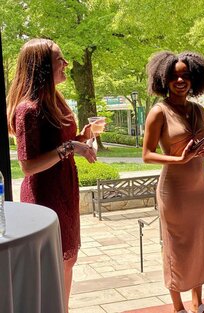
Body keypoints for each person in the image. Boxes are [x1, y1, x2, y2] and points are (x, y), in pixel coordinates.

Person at [7, 38, 97, 312]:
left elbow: (62, 144)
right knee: (53, 264)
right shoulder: (28, 110)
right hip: (44, 195)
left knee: (68, 260)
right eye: (60, 59)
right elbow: (29, 166)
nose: (66, 63)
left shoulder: (56, 101)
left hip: (64, 190)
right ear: (43, 67)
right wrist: (71, 146)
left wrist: (83, 138)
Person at [143, 51, 204, 313]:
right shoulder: (158, 112)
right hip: (174, 190)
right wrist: (179, 160)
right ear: (164, 79)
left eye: (185, 75)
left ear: (194, 78)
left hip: (199, 188)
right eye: (174, 75)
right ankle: (178, 308)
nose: (180, 80)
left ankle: (198, 303)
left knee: (199, 243)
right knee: (175, 246)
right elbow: (146, 155)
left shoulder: (199, 110)